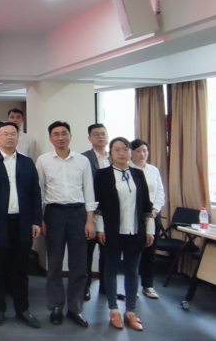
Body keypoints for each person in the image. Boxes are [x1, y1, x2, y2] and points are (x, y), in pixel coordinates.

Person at [0, 122, 42, 329]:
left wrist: (36, 221)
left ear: (18, 137)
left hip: (22, 223)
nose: (10, 137)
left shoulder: (27, 163)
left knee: (21, 269)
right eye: (5, 134)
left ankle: (23, 309)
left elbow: (35, 194)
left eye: (13, 134)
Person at [36, 121, 96, 328]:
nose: (60, 137)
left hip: (78, 213)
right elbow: (39, 191)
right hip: (54, 213)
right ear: (50, 138)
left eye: (64, 133)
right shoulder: (43, 160)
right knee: (54, 264)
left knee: (79, 265)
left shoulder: (82, 161)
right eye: (56, 134)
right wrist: (40, 218)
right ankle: (56, 306)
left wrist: (90, 221)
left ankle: (75, 308)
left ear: (70, 136)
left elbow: (89, 191)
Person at [95, 137, 154, 331]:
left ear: (130, 152)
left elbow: (146, 206)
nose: (122, 153)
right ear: (111, 153)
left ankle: (130, 311)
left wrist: (149, 229)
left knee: (132, 270)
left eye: (125, 149)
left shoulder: (138, 174)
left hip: (135, 230)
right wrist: (100, 228)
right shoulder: (102, 175)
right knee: (111, 269)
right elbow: (98, 205)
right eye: (117, 149)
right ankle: (113, 310)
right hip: (112, 230)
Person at [130, 139, 165, 300]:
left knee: (150, 250)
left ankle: (148, 285)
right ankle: (132, 285)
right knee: (133, 251)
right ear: (131, 152)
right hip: (133, 215)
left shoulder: (153, 170)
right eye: (138, 151)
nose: (142, 154)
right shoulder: (128, 169)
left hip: (152, 216)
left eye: (145, 151)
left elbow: (160, 192)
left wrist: (155, 210)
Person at [81, 124, 111, 301]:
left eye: (103, 134)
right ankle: (85, 286)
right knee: (86, 252)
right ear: (89, 138)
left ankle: (106, 286)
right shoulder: (83, 158)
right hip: (90, 212)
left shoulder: (115, 158)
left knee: (108, 252)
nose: (100, 137)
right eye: (96, 134)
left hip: (110, 213)